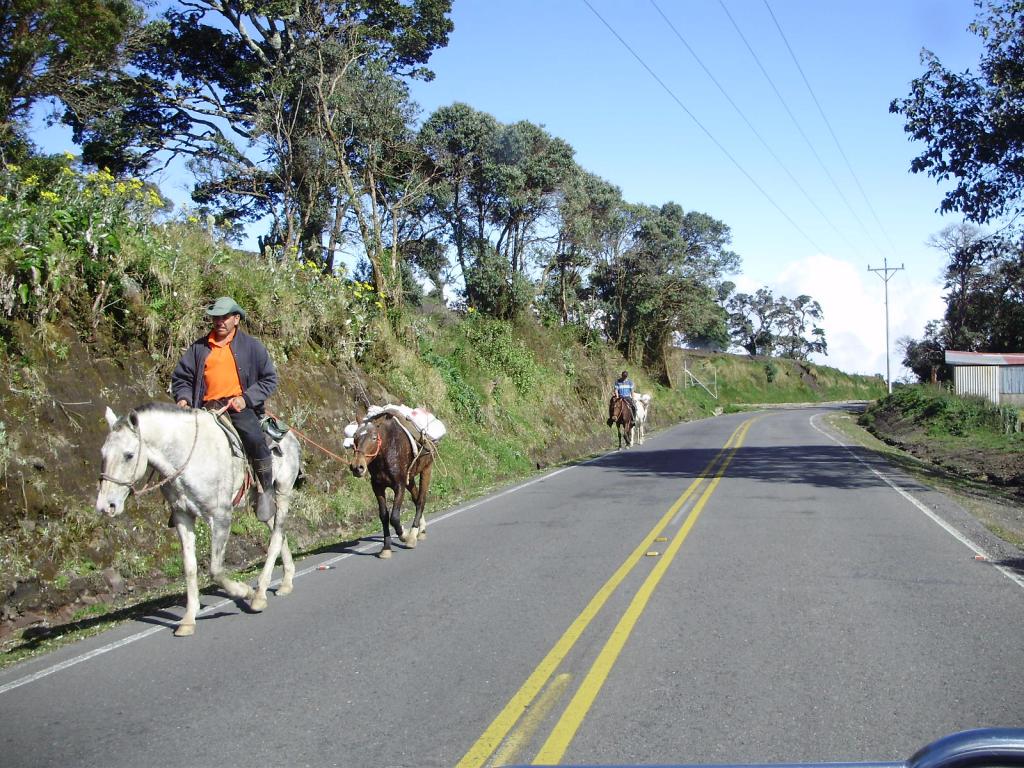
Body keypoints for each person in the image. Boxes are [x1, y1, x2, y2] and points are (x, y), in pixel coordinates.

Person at [171, 296, 279, 522]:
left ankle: (266, 490)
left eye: (224, 317)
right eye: (215, 317)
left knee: (255, 439)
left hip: (236, 408)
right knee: (178, 443)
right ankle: (179, 500)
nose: (219, 321)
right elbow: (182, 379)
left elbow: (269, 379)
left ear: (236, 318)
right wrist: (183, 398)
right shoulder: (199, 348)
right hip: (204, 408)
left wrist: (246, 399)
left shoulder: (252, 347)